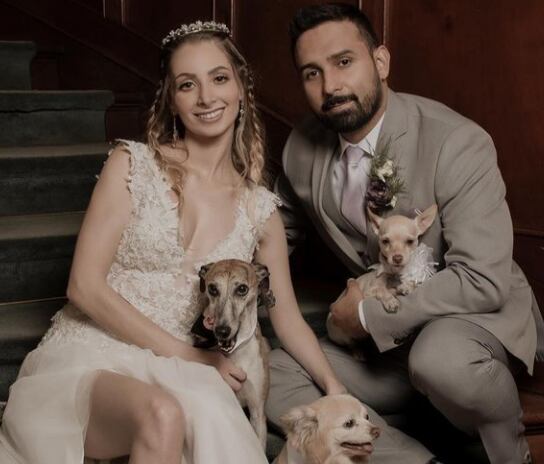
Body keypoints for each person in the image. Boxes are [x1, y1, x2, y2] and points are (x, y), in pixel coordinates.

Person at [0, 20, 349, 464]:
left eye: (219, 78)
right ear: (171, 98)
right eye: (187, 84)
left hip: (184, 372)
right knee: (166, 413)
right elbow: (83, 287)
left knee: (198, 411)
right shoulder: (132, 165)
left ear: (241, 88)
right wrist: (192, 358)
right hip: (93, 356)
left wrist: (335, 387)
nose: (206, 97)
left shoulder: (260, 211)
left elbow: (289, 321)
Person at [266, 3, 543, 464]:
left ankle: (513, 454)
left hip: (470, 326)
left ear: (380, 62)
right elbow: (275, 234)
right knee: (272, 372)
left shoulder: (456, 141)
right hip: (388, 350)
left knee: (438, 359)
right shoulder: (301, 148)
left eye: (343, 62)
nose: (330, 86)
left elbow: (482, 280)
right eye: (312, 73)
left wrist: (367, 315)